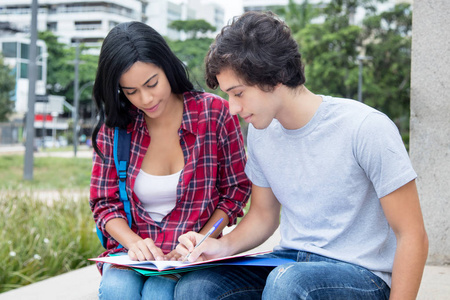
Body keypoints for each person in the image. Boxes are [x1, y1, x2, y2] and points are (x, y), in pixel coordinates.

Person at [174, 11, 429, 300]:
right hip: (291, 263)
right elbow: (263, 215)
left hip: (362, 275)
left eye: (239, 93)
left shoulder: (365, 127)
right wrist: (221, 245)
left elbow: (412, 235)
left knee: (287, 283)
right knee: (197, 287)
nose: (232, 108)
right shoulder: (261, 133)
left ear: (276, 75)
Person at [89, 21, 251, 300]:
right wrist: (135, 244)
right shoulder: (116, 128)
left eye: (152, 83)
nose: (146, 98)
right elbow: (104, 203)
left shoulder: (214, 114)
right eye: (131, 91)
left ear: (167, 67)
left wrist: (200, 239)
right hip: (134, 255)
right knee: (118, 290)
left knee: (160, 292)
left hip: (194, 252)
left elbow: (235, 193)